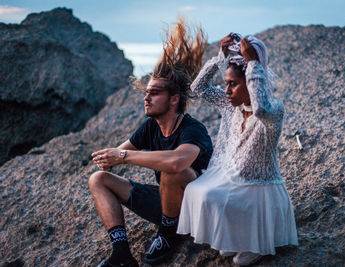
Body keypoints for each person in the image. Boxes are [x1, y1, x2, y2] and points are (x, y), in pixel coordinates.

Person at [88, 18, 212, 267]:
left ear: (174, 99)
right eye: (146, 93)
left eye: (154, 93)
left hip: (197, 211)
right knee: (98, 179)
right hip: (168, 205)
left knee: (171, 171)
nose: (146, 98)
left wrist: (123, 157)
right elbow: (116, 156)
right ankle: (122, 254)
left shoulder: (193, 129)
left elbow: (178, 162)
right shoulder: (150, 127)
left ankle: (168, 235)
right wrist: (107, 158)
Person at [177, 33, 298, 266]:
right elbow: (198, 88)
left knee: (212, 195)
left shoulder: (273, 111)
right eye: (226, 84)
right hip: (233, 177)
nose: (227, 90)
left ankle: (257, 244)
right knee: (198, 191)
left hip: (258, 187)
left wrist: (253, 64)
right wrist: (221, 57)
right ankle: (237, 238)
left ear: (251, 83)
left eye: (233, 84)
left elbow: (260, 108)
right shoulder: (233, 106)